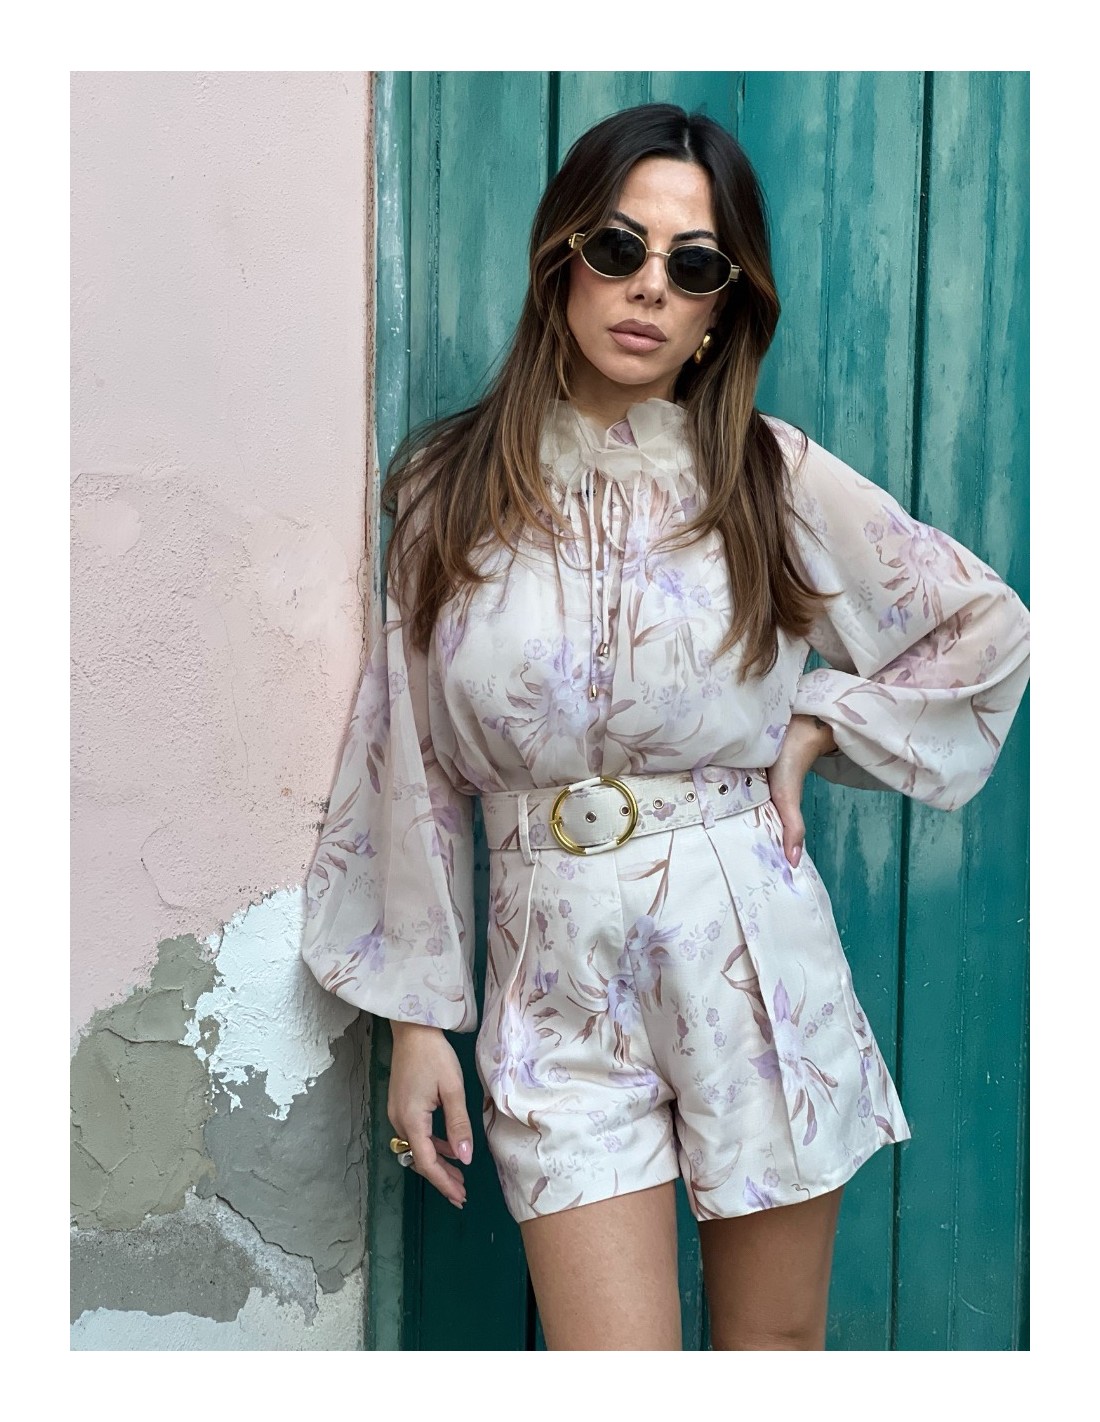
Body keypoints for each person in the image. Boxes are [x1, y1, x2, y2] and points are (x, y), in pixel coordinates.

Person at [301, 103, 1030, 1351]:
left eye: (692, 266)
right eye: (616, 247)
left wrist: (818, 724)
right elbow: (404, 757)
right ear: (559, 262)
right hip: (550, 974)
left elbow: (983, 627)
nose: (648, 286)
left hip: (749, 942)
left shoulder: (768, 475)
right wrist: (418, 1021)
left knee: (770, 1357)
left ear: (719, 309)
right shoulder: (446, 489)